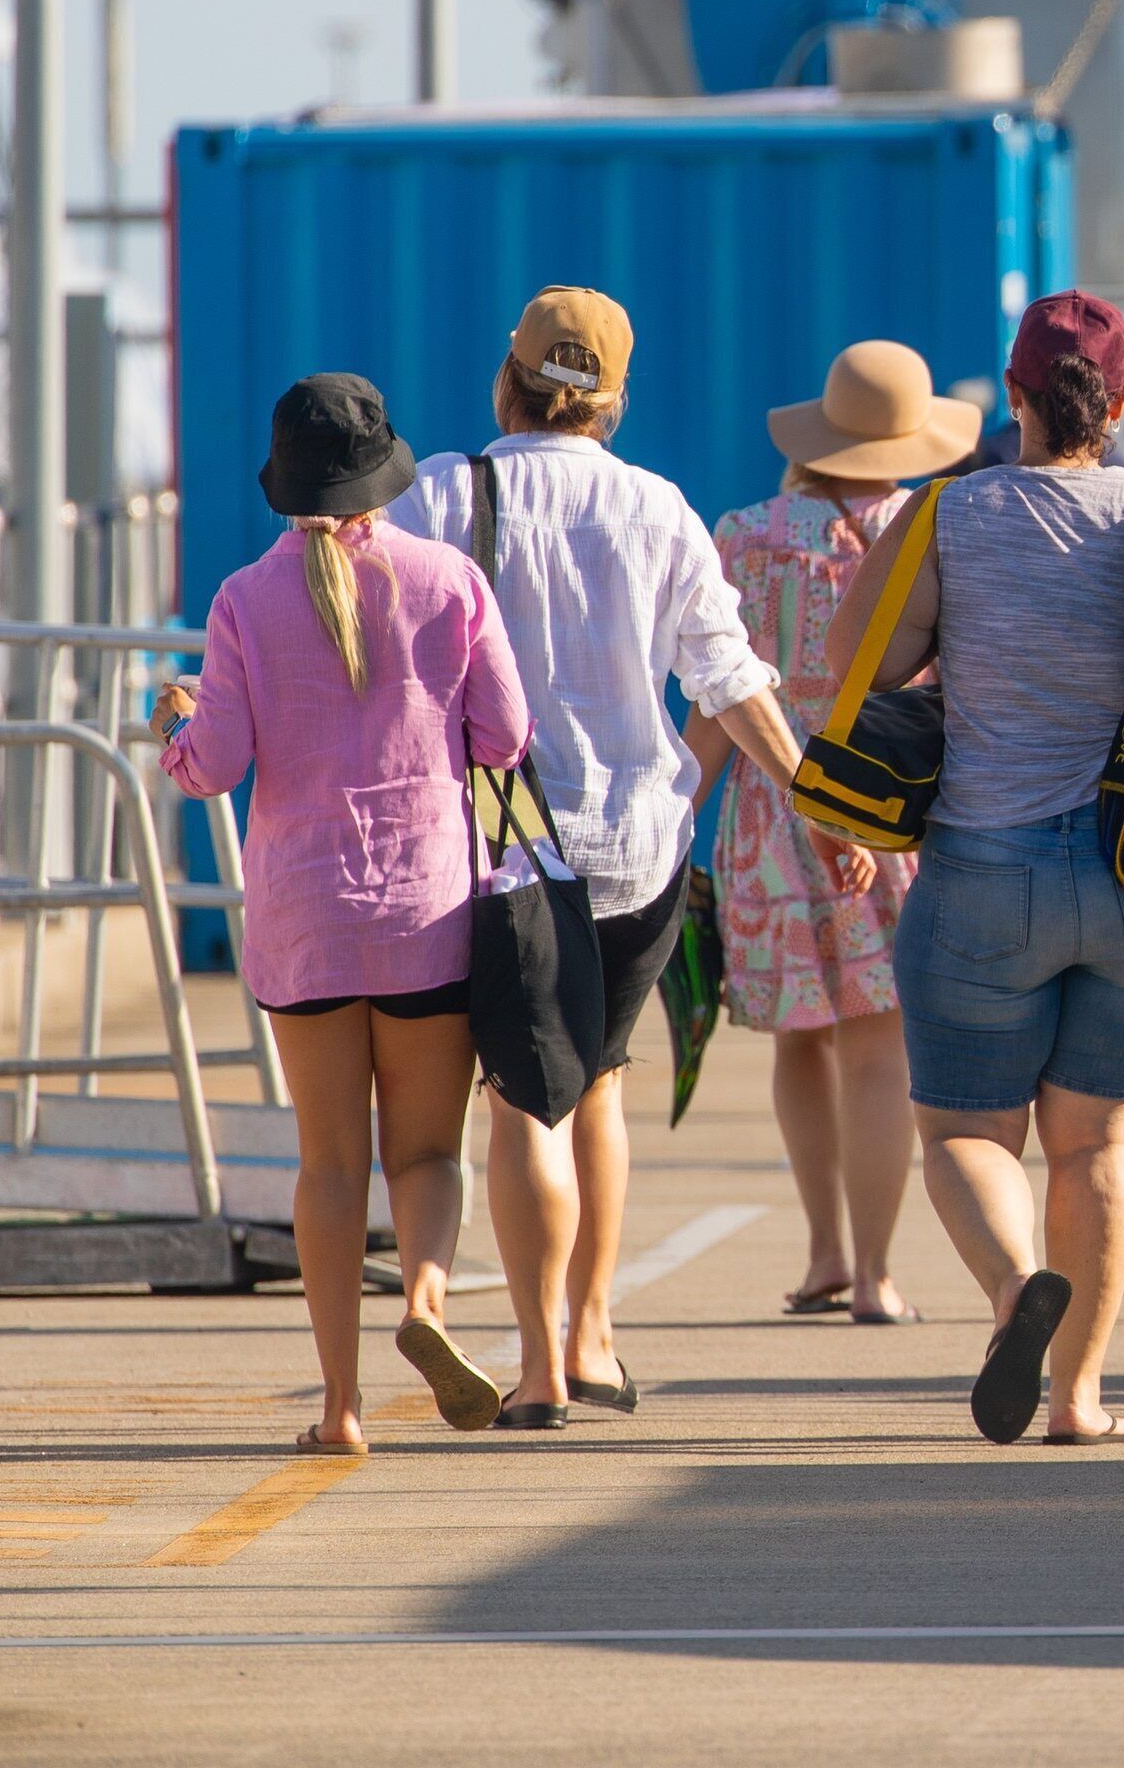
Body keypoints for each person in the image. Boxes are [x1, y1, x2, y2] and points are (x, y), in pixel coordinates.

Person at [828, 289, 1124, 1445]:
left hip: (983, 874)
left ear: (1014, 395)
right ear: (1123, 400)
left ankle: (1014, 1292)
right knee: (1098, 1147)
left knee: (964, 1134)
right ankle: (1080, 1399)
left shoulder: (948, 513)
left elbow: (857, 664)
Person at [388, 286, 834, 1430]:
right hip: (642, 847)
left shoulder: (444, 493)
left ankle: (538, 1369)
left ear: (509, 378)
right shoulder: (659, 507)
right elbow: (729, 678)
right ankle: (593, 1333)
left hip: (508, 845)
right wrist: (816, 803)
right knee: (600, 1084)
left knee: (522, 1105)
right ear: (614, 399)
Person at [155, 375, 529, 1452]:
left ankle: (340, 1409)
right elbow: (506, 737)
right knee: (428, 1155)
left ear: (284, 481)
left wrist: (171, 727)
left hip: (304, 917)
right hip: (427, 909)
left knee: (329, 1166)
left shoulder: (243, 600)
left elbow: (215, 766)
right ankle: (427, 1304)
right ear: (382, 475)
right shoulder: (449, 579)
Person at [688, 342, 985, 1327]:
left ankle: (821, 1253)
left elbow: (717, 697)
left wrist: (676, 817)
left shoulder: (742, 535)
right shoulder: (933, 528)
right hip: (888, 810)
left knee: (799, 1042)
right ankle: (875, 1276)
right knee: (877, 1050)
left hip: (769, 812)